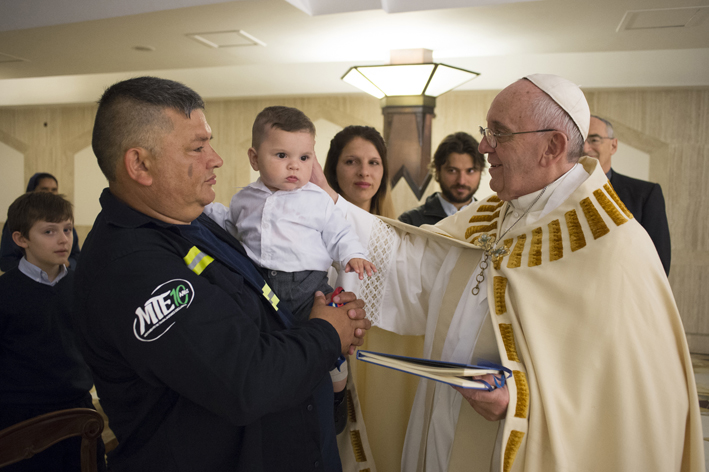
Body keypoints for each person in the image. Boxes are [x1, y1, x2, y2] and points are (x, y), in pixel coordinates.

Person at [317, 74, 704, 471]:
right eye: (488, 131)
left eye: (499, 133)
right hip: (440, 422)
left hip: (510, 443)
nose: (484, 145)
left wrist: (521, 401)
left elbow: (630, 396)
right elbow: (410, 265)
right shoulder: (492, 215)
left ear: (551, 146)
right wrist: (324, 197)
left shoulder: (614, 244)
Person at [73, 76, 370, 472]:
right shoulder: (130, 265)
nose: (216, 158)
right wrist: (327, 334)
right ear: (140, 164)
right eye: (198, 147)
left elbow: (262, 305)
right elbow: (246, 380)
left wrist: (325, 310)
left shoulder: (193, 223)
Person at [323, 125, 422, 472]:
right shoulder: (309, 227)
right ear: (332, 168)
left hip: (377, 370)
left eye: (374, 162)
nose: (364, 172)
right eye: (351, 161)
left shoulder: (397, 237)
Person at [0, 191, 105, 472]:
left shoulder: (83, 286)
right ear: (21, 239)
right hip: (20, 415)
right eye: (49, 231)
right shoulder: (5, 292)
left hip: (77, 407)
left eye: (67, 229)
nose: (63, 239)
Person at [584, 115, 671, 274]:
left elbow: (658, 264)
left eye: (594, 140)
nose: (584, 148)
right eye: (579, 140)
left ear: (613, 146)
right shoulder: (554, 193)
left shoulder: (645, 194)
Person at [399, 132, 486, 226]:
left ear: (481, 171)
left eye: (470, 171)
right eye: (452, 170)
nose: (461, 181)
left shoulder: (492, 221)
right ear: (437, 170)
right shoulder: (410, 222)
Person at [0, 172, 81, 272]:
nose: (50, 194)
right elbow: (7, 260)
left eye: (54, 190)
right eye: (48, 231)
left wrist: (67, 264)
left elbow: (76, 256)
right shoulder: (20, 219)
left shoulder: (64, 219)